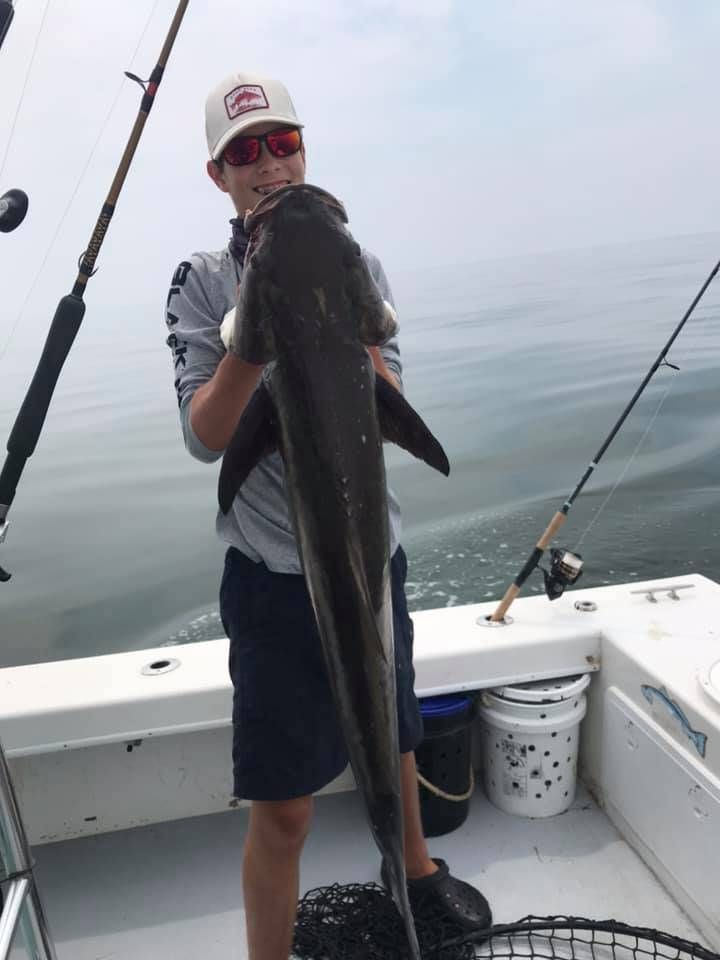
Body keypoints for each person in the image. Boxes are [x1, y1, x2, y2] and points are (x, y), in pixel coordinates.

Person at [165, 69, 491, 960]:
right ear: (218, 175)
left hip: (371, 550)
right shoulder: (199, 281)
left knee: (397, 730)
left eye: (282, 144)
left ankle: (413, 872)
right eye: (244, 152)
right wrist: (253, 334)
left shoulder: (362, 263)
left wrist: (351, 333)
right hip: (274, 577)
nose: (268, 163)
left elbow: (391, 402)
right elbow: (209, 438)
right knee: (285, 806)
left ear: (303, 150)